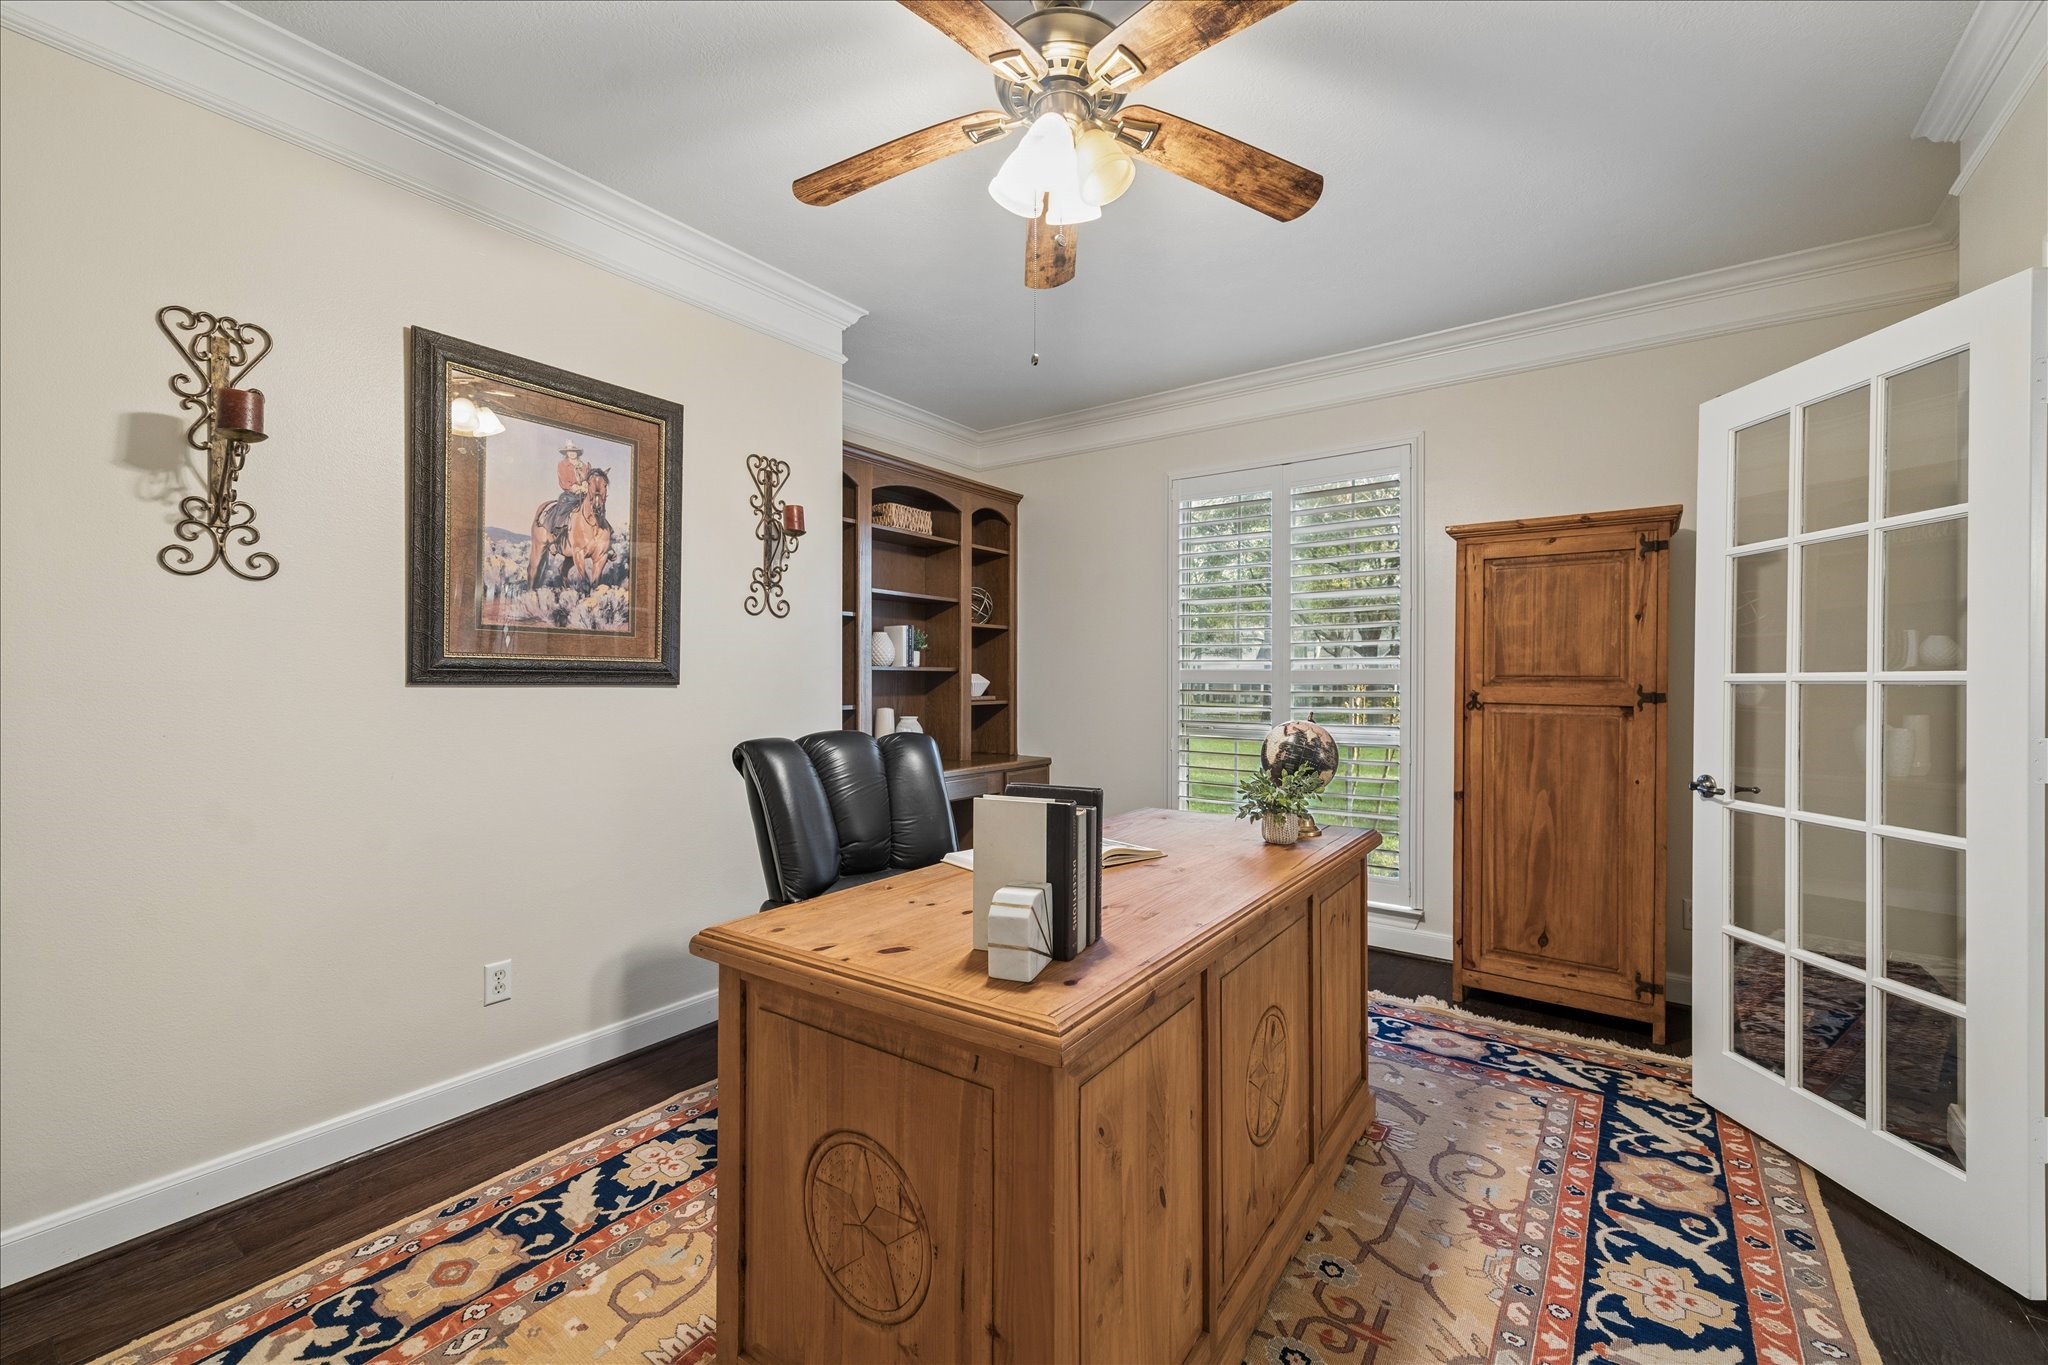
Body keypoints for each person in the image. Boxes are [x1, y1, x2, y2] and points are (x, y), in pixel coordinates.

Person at [543, 440, 590, 539]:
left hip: (584, 493)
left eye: (574, 451)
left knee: (595, 506)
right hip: (570, 493)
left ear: (577, 453)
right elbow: (563, 481)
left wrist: (585, 485)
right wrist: (575, 487)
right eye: (569, 451)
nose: (572, 453)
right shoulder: (562, 464)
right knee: (564, 503)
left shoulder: (584, 466)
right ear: (566, 453)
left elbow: (587, 478)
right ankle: (556, 530)